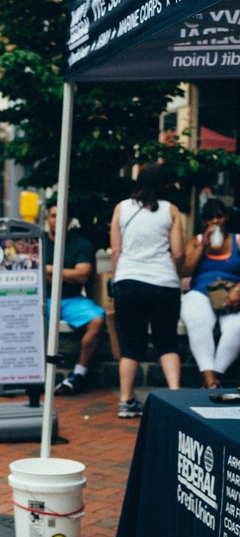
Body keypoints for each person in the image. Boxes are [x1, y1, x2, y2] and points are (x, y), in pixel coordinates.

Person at [110, 164, 184, 418]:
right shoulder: (171, 211)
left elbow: (116, 251)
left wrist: (122, 277)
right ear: (164, 184)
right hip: (164, 284)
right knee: (166, 342)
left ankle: (125, 400)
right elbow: (179, 253)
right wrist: (175, 272)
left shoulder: (121, 208)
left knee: (131, 345)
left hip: (128, 282)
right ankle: (175, 396)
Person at [46, 202, 106, 394]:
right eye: (53, 216)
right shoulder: (38, 241)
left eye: (61, 216)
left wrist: (48, 270)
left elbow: (82, 275)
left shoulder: (81, 244)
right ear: (47, 218)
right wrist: (66, 274)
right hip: (43, 300)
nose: (56, 220)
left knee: (97, 321)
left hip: (71, 299)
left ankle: (78, 375)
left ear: (69, 220)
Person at [180, 198, 240, 388]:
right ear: (204, 222)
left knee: (236, 328)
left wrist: (238, 290)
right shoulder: (196, 241)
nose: (215, 222)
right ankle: (210, 379)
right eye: (210, 218)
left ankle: (214, 375)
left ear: (226, 218)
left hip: (233, 294)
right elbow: (185, 271)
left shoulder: (238, 240)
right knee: (198, 321)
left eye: (219, 217)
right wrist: (202, 246)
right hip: (201, 292)